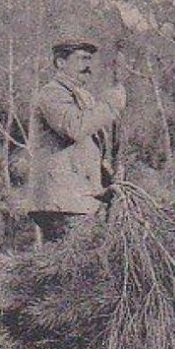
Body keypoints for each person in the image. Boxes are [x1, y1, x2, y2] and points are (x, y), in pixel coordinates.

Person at [24, 35, 127, 243]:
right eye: (81, 59)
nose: (88, 66)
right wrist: (110, 106)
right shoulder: (51, 93)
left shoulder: (83, 96)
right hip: (61, 203)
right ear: (61, 63)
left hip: (77, 201)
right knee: (74, 267)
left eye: (89, 60)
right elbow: (75, 128)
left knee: (79, 266)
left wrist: (104, 184)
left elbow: (87, 148)